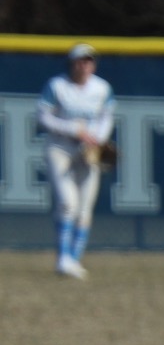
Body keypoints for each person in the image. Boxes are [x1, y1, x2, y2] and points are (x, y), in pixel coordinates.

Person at [36, 43, 116, 280]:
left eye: (89, 61)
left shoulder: (102, 88)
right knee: (67, 202)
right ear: (71, 63)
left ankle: (73, 259)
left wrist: (98, 139)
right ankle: (63, 259)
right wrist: (73, 129)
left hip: (87, 151)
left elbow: (106, 118)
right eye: (80, 61)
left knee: (84, 208)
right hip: (60, 147)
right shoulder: (58, 86)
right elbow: (43, 117)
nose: (84, 65)